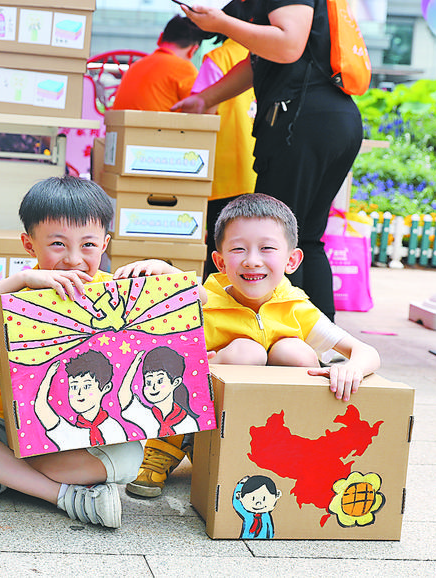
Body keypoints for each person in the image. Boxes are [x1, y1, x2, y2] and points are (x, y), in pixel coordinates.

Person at [0, 175, 184, 528]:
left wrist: (166, 270)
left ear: (105, 244)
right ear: (29, 244)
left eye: (88, 245)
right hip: (12, 429)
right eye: (57, 244)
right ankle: (64, 495)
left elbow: (199, 302)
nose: (73, 259)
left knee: (129, 457)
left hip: (80, 439)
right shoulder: (21, 290)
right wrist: (20, 280)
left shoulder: (113, 290)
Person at [173, 0, 364, 321]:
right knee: (304, 239)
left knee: (274, 238)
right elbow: (261, 59)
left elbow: (287, 45)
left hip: (302, 123)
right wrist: (205, 99)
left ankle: (280, 336)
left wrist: (222, 23)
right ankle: (320, 341)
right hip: (332, 119)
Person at [127, 193, 380, 499]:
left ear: (291, 260)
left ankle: (292, 452)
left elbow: (367, 352)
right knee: (246, 353)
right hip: (203, 425)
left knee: (295, 352)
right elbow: (157, 334)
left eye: (267, 248)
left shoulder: (297, 308)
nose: (252, 260)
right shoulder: (204, 302)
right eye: (238, 249)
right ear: (220, 262)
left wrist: (352, 368)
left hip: (268, 427)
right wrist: (158, 268)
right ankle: (164, 450)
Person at [192, 0, 260, 278]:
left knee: (221, 246)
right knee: (254, 246)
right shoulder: (272, 56)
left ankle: (217, 299)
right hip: (260, 168)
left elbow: (202, 115)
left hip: (223, 173)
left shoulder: (218, 58)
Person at [111, 15, 207, 111]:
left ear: (160, 38)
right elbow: (200, 110)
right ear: (193, 50)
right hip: (154, 121)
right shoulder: (184, 68)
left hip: (120, 120)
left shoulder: (136, 65)